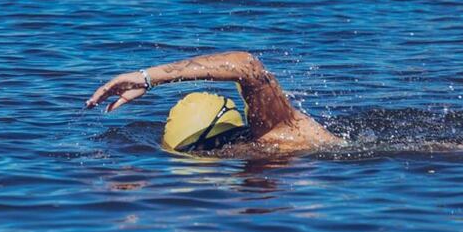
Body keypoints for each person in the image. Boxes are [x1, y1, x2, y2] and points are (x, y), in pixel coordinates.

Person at [86, 51, 342, 154]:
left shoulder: (278, 130)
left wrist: (146, 78)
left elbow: (247, 65)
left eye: (206, 147)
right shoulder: (252, 146)